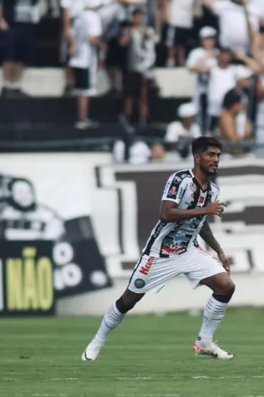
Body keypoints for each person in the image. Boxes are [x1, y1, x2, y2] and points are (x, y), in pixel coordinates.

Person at [82, 136, 234, 361]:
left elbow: (200, 224)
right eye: (211, 155)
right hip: (160, 253)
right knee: (129, 300)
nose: (216, 160)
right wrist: (205, 210)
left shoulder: (212, 190)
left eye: (218, 155)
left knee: (226, 286)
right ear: (197, 157)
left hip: (188, 251)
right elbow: (166, 213)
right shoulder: (180, 180)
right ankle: (97, 342)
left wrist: (219, 250)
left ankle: (204, 342)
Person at [0, 0, 42, 96]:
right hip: (11, 24)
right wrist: (0, 20)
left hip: (26, 24)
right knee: (9, 55)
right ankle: (6, 84)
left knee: (22, 56)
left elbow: (35, 2)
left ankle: (16, 84)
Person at [68, 0, 104, 129]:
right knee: (85, 91)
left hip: (77, 58)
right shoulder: (93, 18)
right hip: (87, 58)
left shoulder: (78, 17)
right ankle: (83, 118)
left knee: (80, 90)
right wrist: (102, 45)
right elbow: (93, 39)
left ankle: (81, 117)